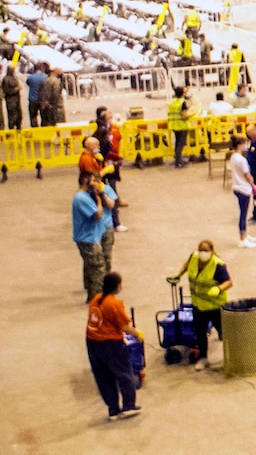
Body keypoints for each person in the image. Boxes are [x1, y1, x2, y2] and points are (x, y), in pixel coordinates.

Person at [86, 271, 143, 421]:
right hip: (110, 344)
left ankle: (113, 409)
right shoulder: (114, 304)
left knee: (103, 377)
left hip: (92, 343)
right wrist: (137, 333)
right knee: (124, 374)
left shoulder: (95, 300)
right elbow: (125, 327)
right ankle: (129, 406)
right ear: (117, 286)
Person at [170, 240, 231, 371]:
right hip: (198, 305)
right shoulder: (194, 257)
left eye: (206, 251)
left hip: (215, 306)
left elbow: (229, 282)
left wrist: (218, 289)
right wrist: (179, 275)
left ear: (211, 251)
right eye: (201, 250)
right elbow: (187, 265)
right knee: (200, 332)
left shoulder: (217, 265)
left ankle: (231, 358)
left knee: (224, 332)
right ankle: (203, 357)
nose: (202, 253)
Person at [73, 170, 106, 303]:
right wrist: (98, 200)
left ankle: (92, 294)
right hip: (88, 239)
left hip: (88, 237)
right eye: (92, 180)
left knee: (90, 267)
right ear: (86, 181)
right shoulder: (82, 198)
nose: (94, 183)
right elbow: (97, 215)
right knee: (98, 268)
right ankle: (96, 298)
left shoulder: (83, 196)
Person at [228, 135, 256, 248]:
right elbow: (247, 174)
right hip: (243, 188)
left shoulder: (233, 157)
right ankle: (242, 238)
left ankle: (245, 233)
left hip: (236, 186)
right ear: (240, 145)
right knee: (243, 215)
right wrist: (252, 184)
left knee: (243, 213)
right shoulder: (242, 160)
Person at [167, 85, 192, 167]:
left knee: (177, 143)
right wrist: (191, 114)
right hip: (182, 125)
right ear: (183, 93)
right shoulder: (182, 102)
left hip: (173, 125)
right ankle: (179, 162)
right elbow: (184, 115)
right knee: (181, 144)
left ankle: (178, 161)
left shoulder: (172, 102)